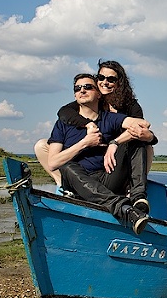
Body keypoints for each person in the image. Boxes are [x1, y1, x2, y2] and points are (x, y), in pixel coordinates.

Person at [46, 73, 155, 234]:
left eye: (88, 87)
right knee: (66, 166)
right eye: (77, 88)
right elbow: (53, 162)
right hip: (78, 182)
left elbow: (142, 124)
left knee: (135, 139)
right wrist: (85, 142)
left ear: (98, 93)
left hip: (106, 177)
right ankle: (125, 210)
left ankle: (138, 197)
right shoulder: (63, 123)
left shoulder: (109, 119)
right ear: (75, 95)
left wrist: (115, 143)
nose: (82, 90)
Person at [34, 59, 157, 187]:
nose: (105, 82)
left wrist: (115, 143)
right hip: (91, 153)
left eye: (111, 79)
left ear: (119, 83)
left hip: (118, 154)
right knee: (41, 145)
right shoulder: (90, 99)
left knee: (147, 148)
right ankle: (61, 183)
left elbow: (141, 128)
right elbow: (63, 112)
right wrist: (88, 124)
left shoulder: (130, 106)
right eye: (101, 77)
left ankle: (134, 187)